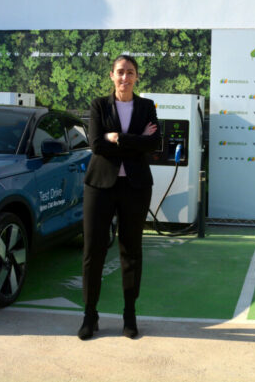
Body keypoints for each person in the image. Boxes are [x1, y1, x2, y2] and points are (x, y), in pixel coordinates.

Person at [77, 54, 161, 340]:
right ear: (111, 75)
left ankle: (129, 314)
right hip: (100, 186)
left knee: (131, 252)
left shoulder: (147, 106)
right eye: (120, 72)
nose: (125, 77)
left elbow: (154, 143)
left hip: (135, 187)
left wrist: (119, 138)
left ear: (137, 76)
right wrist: (134, 140)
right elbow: (96, 145)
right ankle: (90, 314)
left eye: (130, 72)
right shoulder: (99, 105)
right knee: (93, 252)